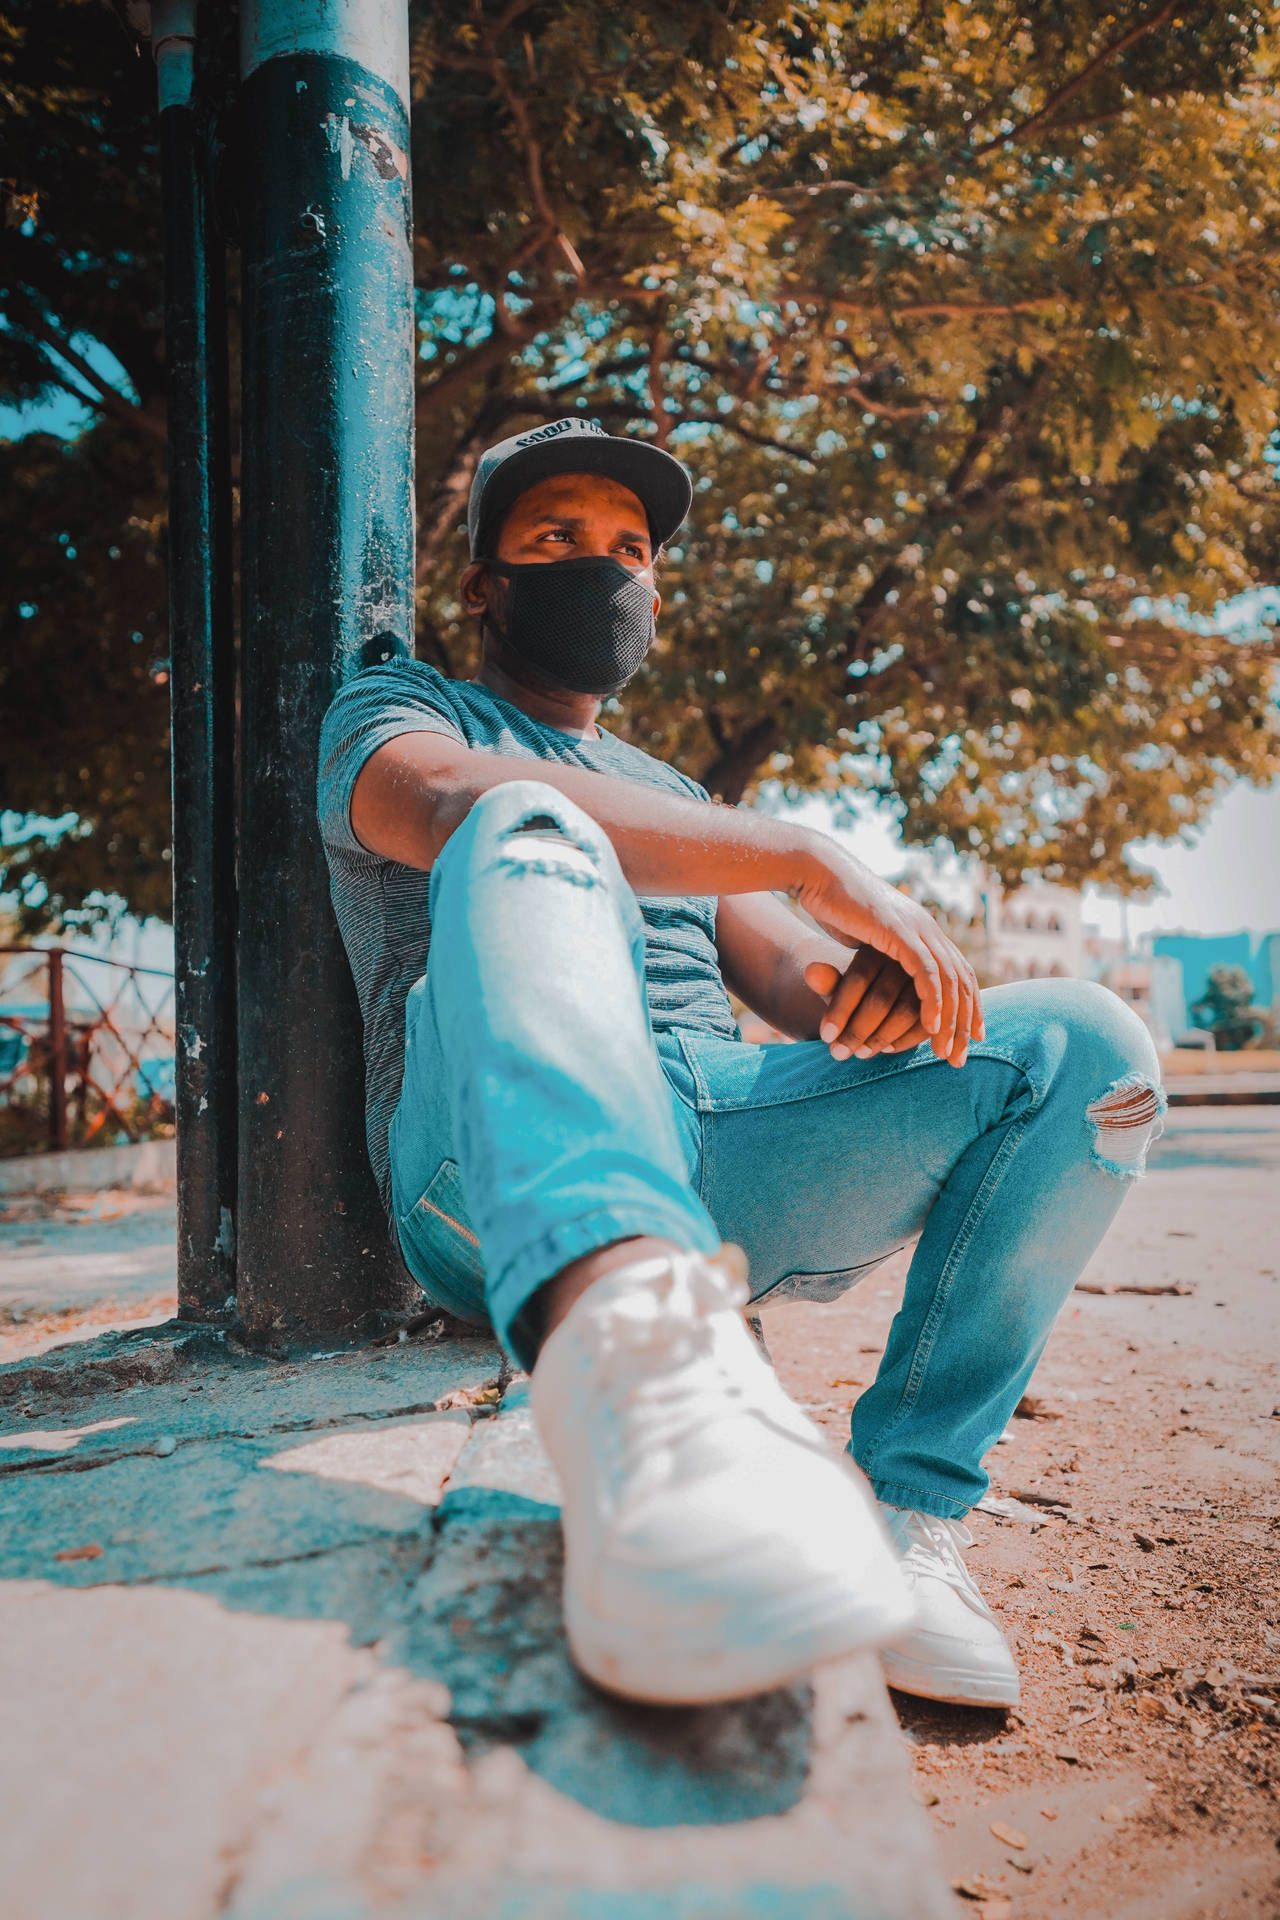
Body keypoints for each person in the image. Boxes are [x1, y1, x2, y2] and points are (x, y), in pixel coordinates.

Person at [318, 416, 1165, 1709]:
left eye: (629, 547)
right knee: (524, 825)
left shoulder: (679, 796)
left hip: (717, 1145)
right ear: (484, 584)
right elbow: (437, 805)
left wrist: (868, 994)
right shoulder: (400, 708)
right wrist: (805, 853)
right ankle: (654, 1431)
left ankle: (908, 1516)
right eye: (555, 540)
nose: (601, 568)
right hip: (485, 1167)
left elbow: (793, 985)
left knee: (1090, 1049)